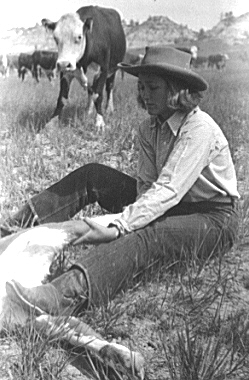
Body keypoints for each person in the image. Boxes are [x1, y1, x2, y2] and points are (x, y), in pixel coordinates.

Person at [3, 46, 240, 317]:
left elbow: (168, 190)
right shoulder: (149, 127)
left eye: (153, 89)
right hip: (170, 203)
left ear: (176, 90)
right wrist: (131, 217)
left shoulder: (199, 129)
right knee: (93, 175)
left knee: (145, 235)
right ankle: (13, 229)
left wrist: (119, 227)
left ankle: (63, 295)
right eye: (142, 88)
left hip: (212, 218)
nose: (144, 95)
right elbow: (148, 189)